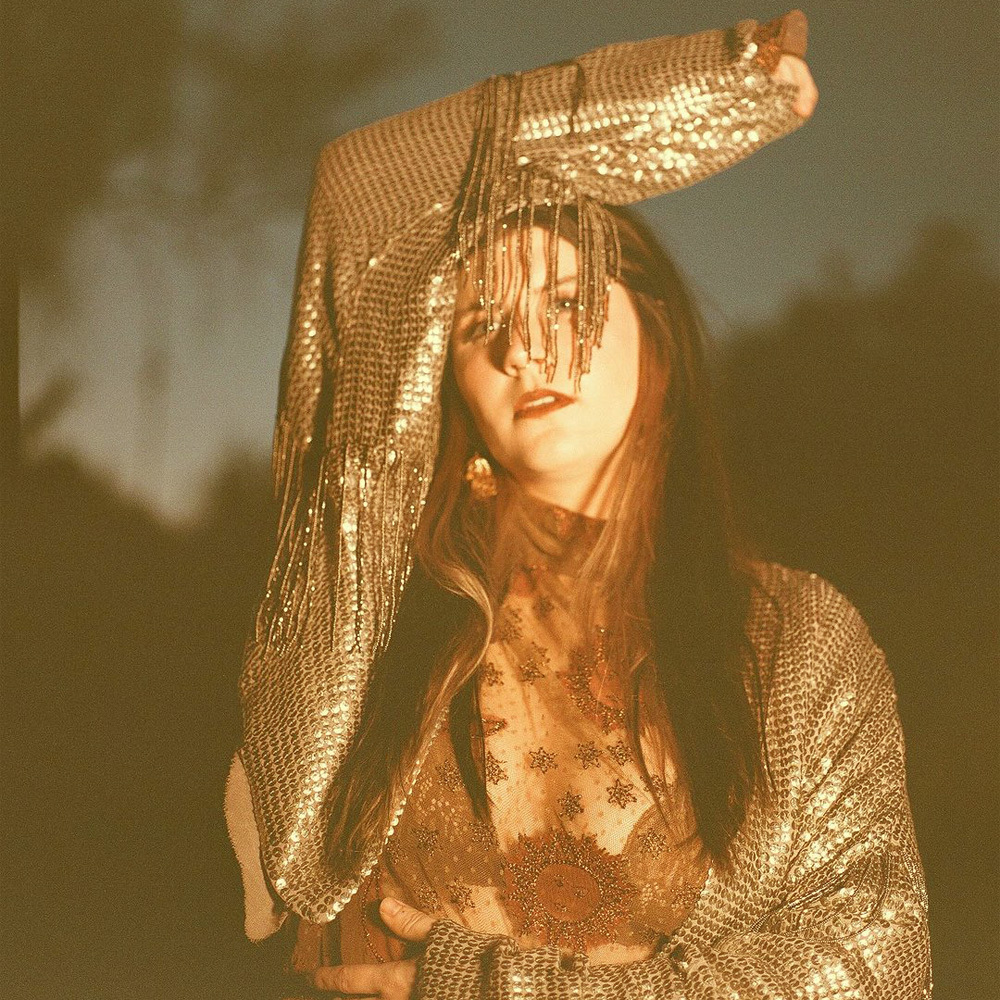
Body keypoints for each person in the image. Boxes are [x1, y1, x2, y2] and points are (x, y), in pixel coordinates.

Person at [224, 9, 932, 998]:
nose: (525, 350)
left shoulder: (794, 640)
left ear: (657, 334)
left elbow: (871, 969)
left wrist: (488, 985)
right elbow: (358, 184)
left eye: (566, 300)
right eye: (481, 324)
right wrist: (709, 81)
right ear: (445, 387)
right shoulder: (370, 627)